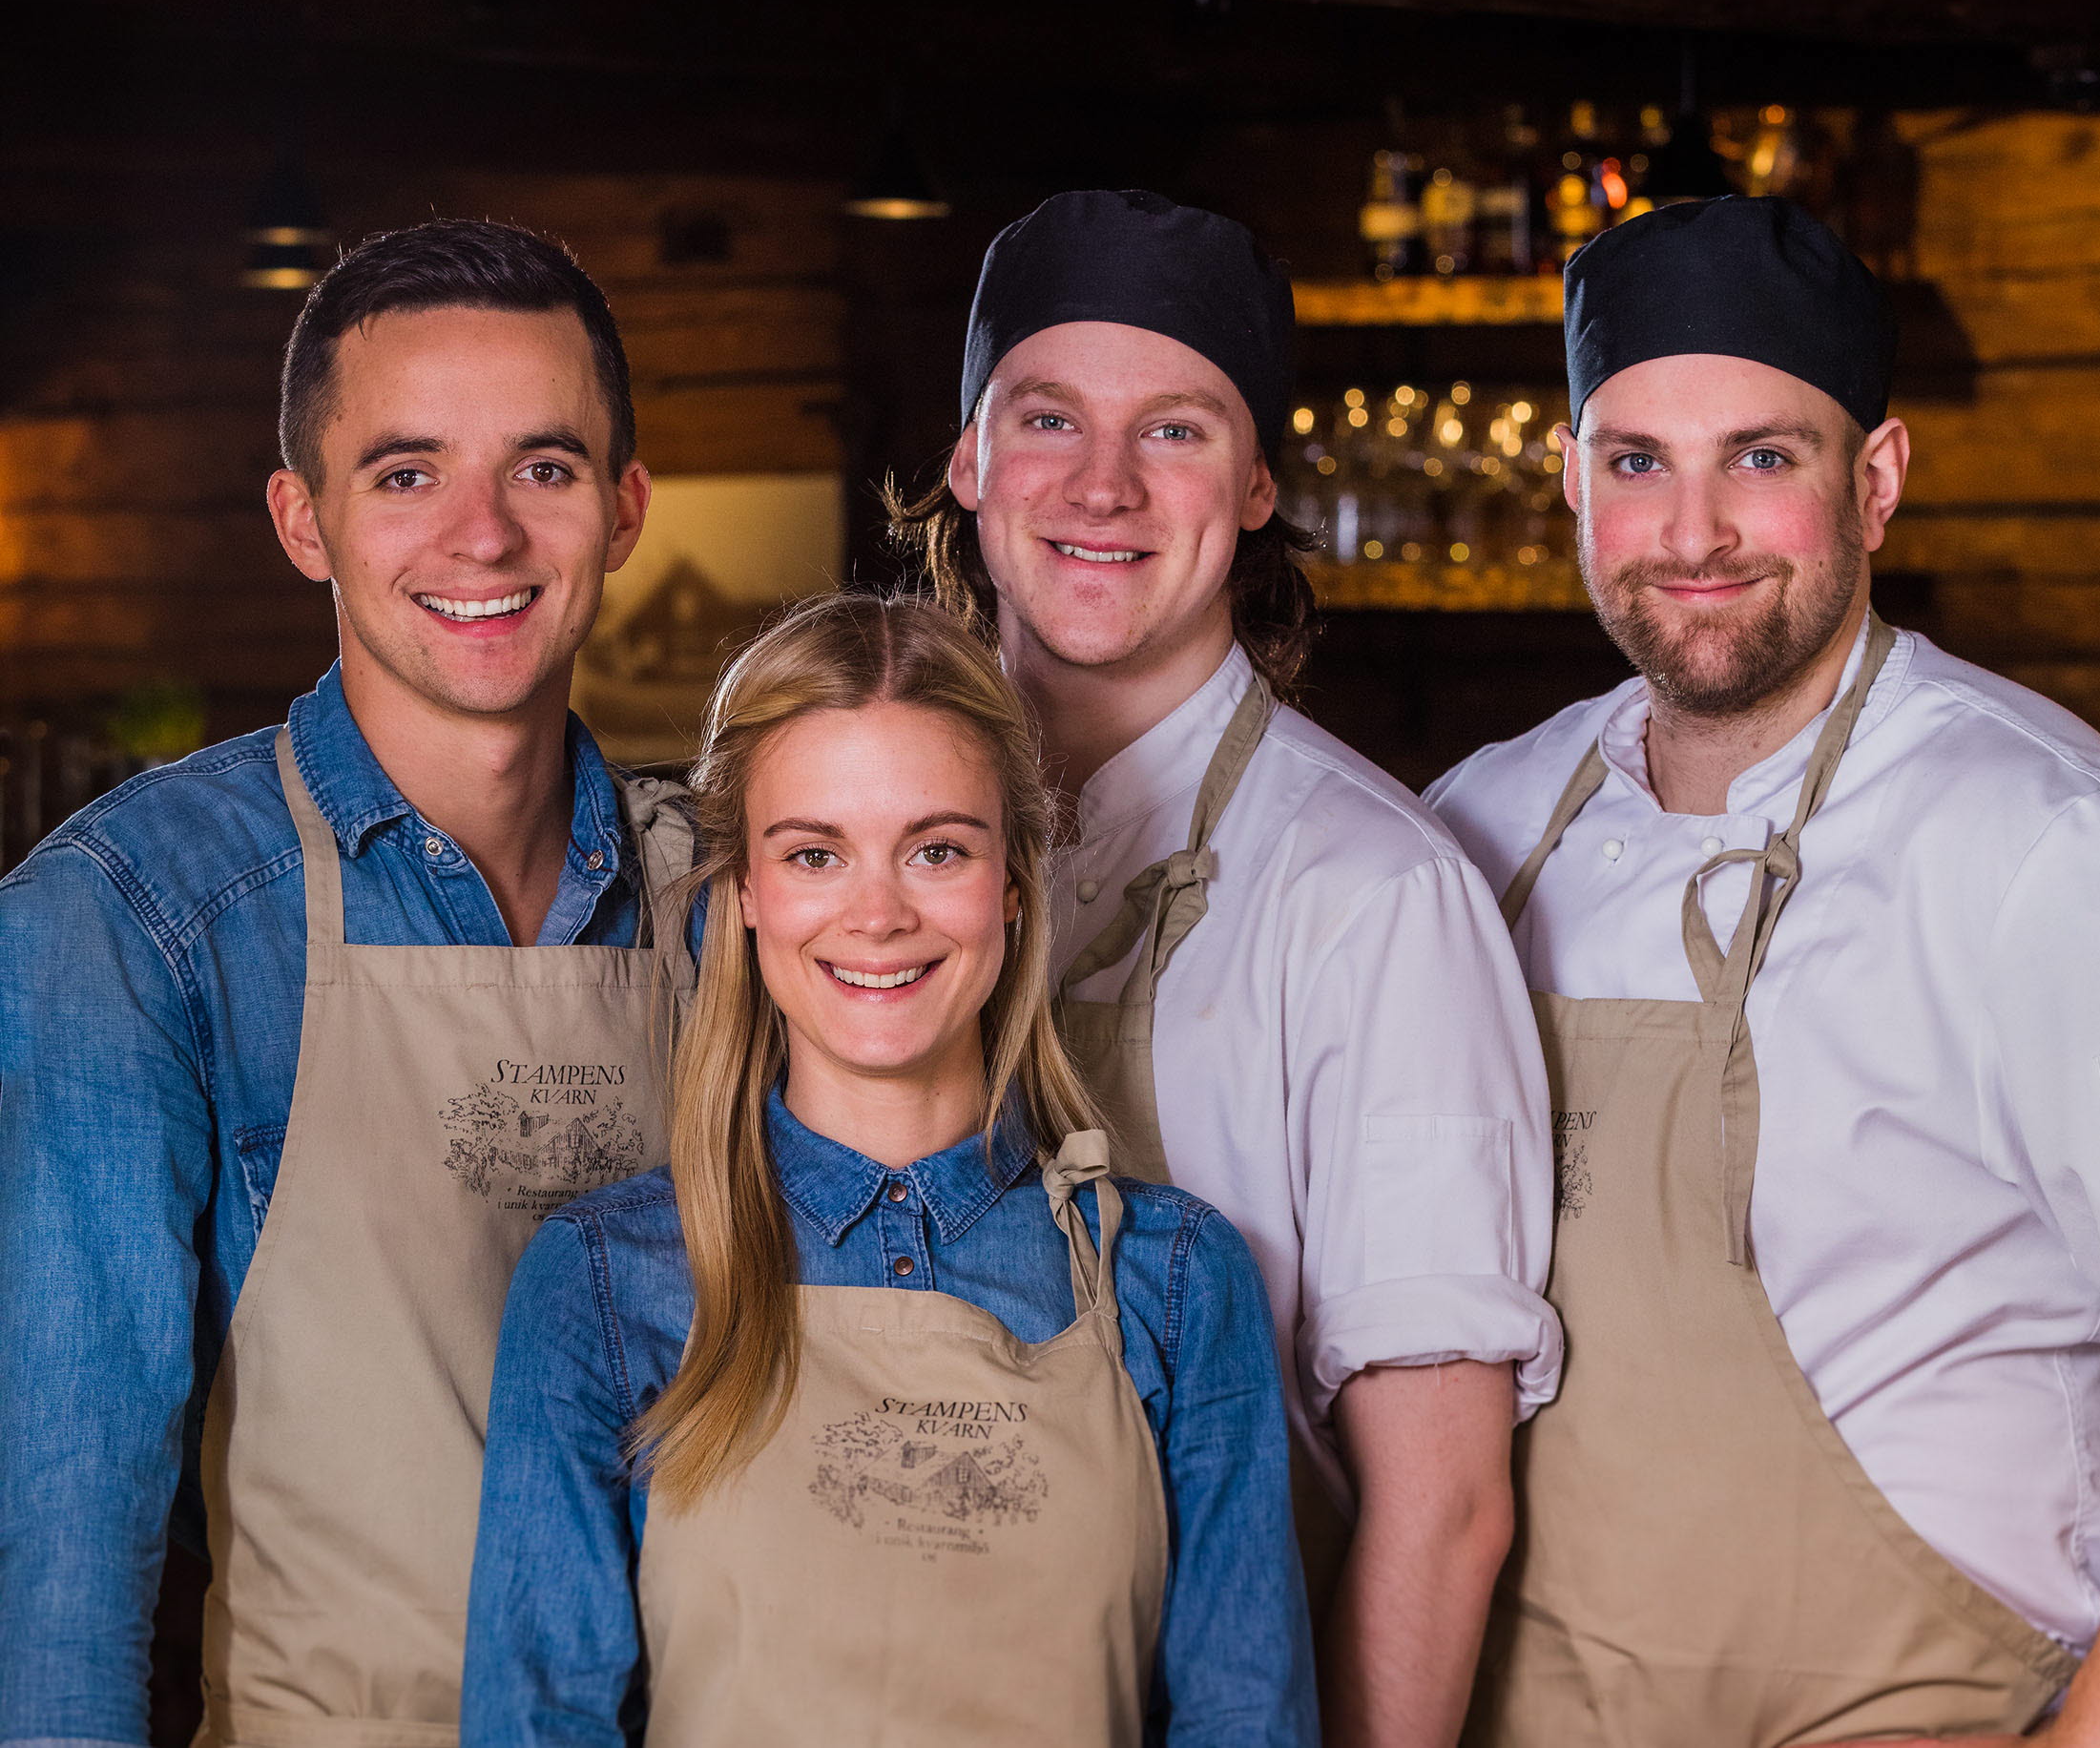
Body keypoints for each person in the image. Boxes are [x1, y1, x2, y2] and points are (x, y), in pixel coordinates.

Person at [1427, 194, 2100, 1746]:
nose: (1693, 531)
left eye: (1760, 458)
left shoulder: (2039, 840)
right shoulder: (1477, 831)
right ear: (1570, 480)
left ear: (1874, 481)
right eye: (1638, 462)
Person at [0, 220, 697, 1748]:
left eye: (544, 467)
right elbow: (63, 1549)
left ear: (626, 508)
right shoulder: (133, 917)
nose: (482, 536)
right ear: (303, 520)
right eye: (405, 474)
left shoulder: (737, 899)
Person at [891, 188, 1559, 1745]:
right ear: (970, 459)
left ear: (1258, 485)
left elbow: (1443, 1507)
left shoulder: (1373, 895)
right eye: (1047, 418)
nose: (1103, 484)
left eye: (1175, 431)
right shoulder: (852, 851)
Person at [462, 592, 1314, 1748]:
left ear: (1013, 882)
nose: (877, 914)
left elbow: (1245, 1719)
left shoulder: (1176, 1279)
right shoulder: (606, 1280)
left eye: (936, 849)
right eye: (815, 853)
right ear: (745, 889)